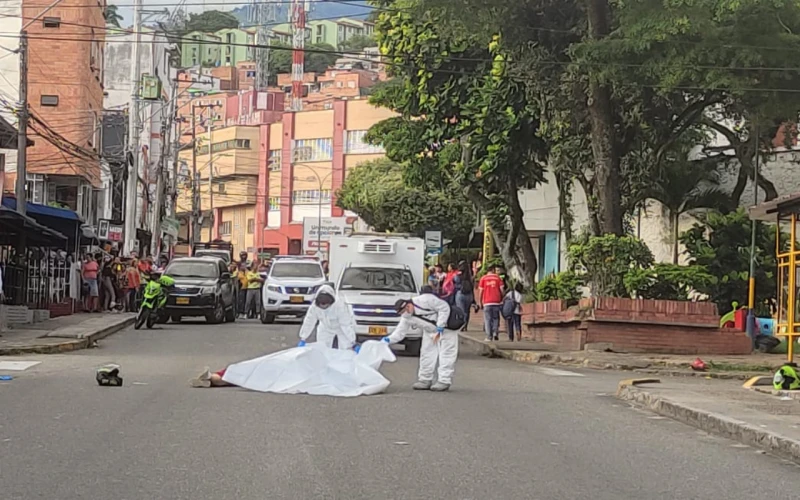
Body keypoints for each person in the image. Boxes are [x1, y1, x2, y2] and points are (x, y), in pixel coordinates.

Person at [383, 294, 456, 391]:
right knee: (426, 353)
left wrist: (440, 326)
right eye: (402, 313)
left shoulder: (425, 300)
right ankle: (425, 379)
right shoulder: (406, 317)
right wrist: (387, 340)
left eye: (405, 310)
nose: (405, 313)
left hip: (447, 329)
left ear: (408, 305)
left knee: (447, 353)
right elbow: (399, 333)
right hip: (429, 331)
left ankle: (444, 380)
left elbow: (444, 307)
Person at [298, 284, 356, 350]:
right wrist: (303, 337)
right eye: (322, 305)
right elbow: (309, 321)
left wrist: (352, 341)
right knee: (322, 349)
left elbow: (346, 324)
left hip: (340, 328)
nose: (324, 307)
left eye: (326, 305)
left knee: (346, 348)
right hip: (325, 328)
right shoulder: (314, 307)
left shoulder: (339, 306)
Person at [478, 264, 504, 341]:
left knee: (488, 319)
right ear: (493, 270)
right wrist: (502, 298)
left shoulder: (483, 278)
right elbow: (502, 290)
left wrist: (480, 302)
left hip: (487, 302)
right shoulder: (498, 278)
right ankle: (495, 333)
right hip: (496, 301)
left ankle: (489, 336)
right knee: (496, 318)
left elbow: (481, 291)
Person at [453, 261, 475, 331]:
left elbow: (455, 281)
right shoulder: (469, 275)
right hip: (469, 294)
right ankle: (465, 325)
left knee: (461, 311)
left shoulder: (458, 274)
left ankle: (462, 324)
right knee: (467, 311)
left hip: (461, 293)